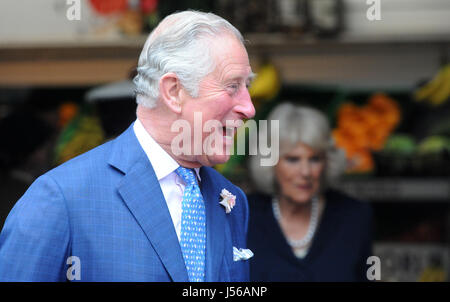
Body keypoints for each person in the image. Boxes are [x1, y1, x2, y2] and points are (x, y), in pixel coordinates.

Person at [0, 11, 255, 282]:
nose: (249, 107)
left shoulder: (230, 200)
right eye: (232, 86)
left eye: (247, 86)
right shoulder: (61, 198)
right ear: (173, 92)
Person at [247, 103, 373, 281]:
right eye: (293, 159)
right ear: (270, 162)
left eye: (315, 159)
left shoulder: (354, 216)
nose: (305, 172)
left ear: (327, 162)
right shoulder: (243, 216)